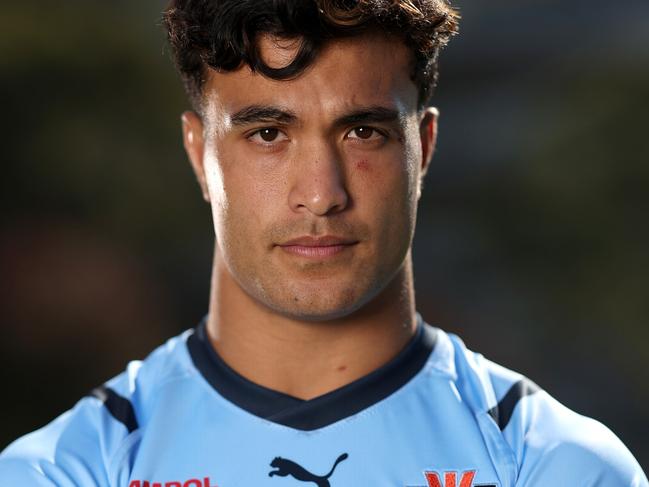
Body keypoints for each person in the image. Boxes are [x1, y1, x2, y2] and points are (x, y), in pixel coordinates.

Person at [1, 0, 646, 485]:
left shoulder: (555, 467)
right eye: (266, 133)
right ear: (200, 156)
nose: (321, 193)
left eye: (362, 132)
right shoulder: (66, 470)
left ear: (422, 149)